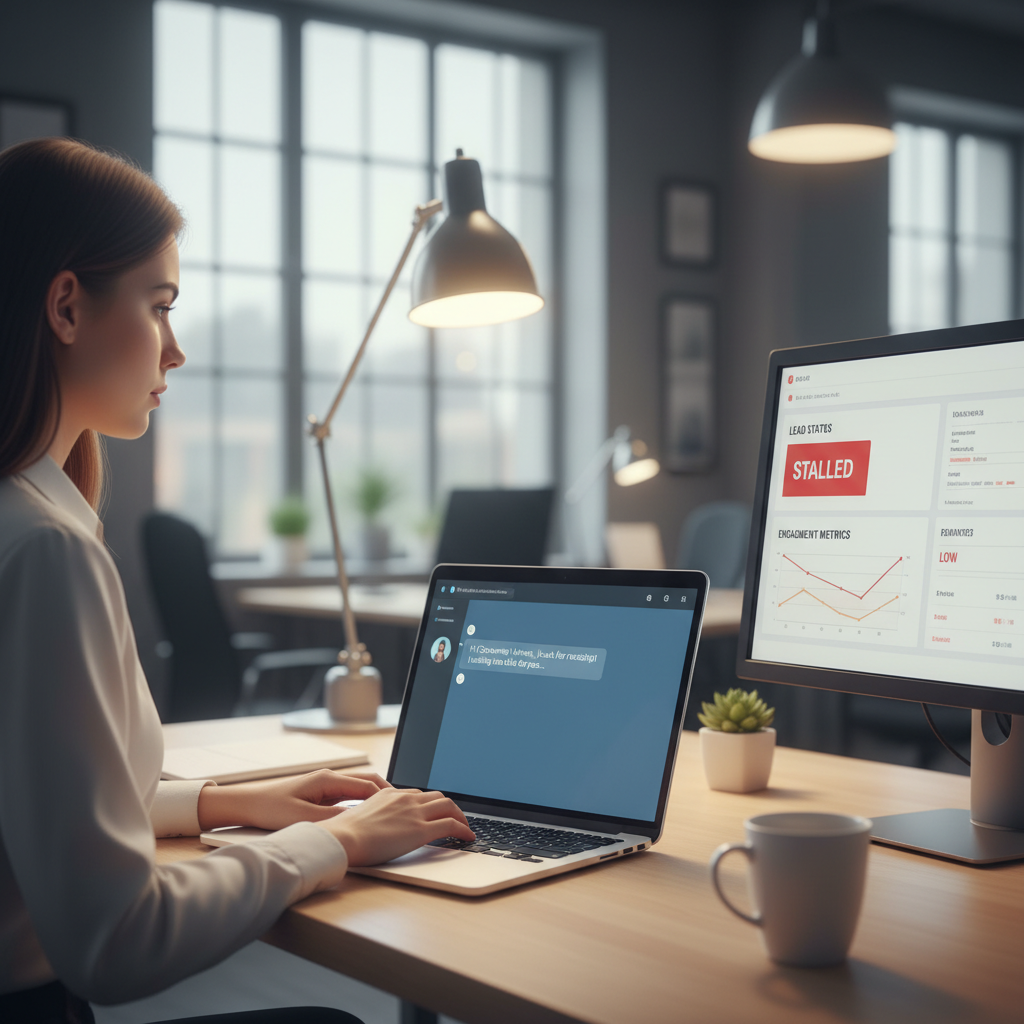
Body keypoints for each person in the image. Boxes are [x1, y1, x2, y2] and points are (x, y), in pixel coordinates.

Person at [0, 138, 474, 1024]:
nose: (174, 351)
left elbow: (40, 809)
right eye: (160, 305)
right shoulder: (45, 552)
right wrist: (332, 841)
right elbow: (113, 942)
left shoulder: (23, 522)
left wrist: (225, 802)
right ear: (66, 305)